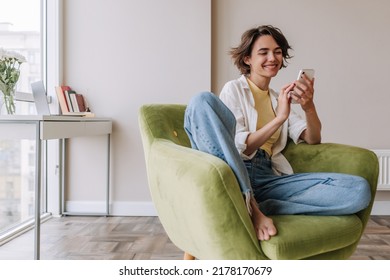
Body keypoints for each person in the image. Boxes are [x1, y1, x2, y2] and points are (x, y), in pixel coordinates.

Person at [184, 25, 371, 241]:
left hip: (269, 179)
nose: (272, 58)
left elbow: (313, 138)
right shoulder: (234, 90)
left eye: (277, 52)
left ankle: (262, 205)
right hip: (236, 171)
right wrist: (279, 118)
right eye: (263, 52)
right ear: (247, 59)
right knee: (202, 100)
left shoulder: (278, 98)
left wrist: (308, 106)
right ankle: (251, 206)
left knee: (358, 190)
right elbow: (241, 148)